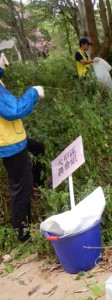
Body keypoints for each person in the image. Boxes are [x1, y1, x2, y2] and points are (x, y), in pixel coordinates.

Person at [0, 52, 45, 242]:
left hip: (15, 139)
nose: (6, 61)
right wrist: (33, 92)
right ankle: (23, 234)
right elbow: (14, 110)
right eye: (1, 56)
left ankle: (39, 184)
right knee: (21, 188)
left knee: (38, 147)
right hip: (9, 144)